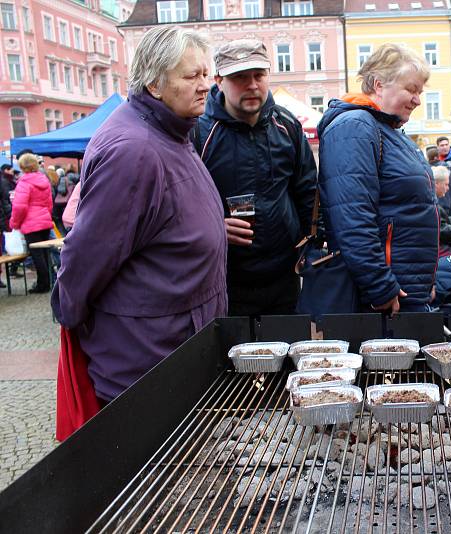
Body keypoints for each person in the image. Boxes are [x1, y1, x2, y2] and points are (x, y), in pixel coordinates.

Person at [52, 26, 227, 404]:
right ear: (154, 85)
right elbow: (88, 257)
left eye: (205, 74)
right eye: (190, 76)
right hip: (146, 361)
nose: (205, 86)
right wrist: (70, 313)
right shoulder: (134, 150)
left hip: (174, 345)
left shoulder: (173, 131)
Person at [193, 39, 316, 317]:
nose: (251, 85)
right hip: (224, 278)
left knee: (286, 356)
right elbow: (179, 206)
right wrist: (211, 227)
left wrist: (310, 245)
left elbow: (307, 191)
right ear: (219, 80)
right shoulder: (198, 133)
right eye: (239, 77)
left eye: (258, 75)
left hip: (284, 276)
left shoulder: (286, 124)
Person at [315, 43, 438, 316]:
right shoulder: (355, 127)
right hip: (381, 300)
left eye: (420, 91)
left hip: (405, 290)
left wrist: (423, 282)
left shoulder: (388, 130)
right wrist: (380, 285)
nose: (418, 100)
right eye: (411, 89)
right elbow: (352, 218)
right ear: (379, 85)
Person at [9, 153, 53, 293]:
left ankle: (43, 284)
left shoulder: (24, 182)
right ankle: (50, 281)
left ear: (22, 166)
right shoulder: (43, 179)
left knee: (37, 255)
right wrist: (47, 216)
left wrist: (14, 223)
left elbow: (19, 207)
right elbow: (49, 203)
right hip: (44, 220)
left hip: (30, 223)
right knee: (45, 253)